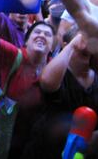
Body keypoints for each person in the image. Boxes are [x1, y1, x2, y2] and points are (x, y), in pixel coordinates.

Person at [0, 10, 56, 158]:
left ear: (52, 46)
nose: (41, 35)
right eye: (37, 32)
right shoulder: (14, 55)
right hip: (3, 138)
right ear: (26, 41)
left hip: (34, 144)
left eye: (47, 34)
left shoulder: (55, 70)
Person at [23, 30, 98, 158]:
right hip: (45, 151)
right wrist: (76, 40)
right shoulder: (59, 73)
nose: (85, 45)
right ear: (65, 45)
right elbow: (47, 82)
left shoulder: (95, 77)